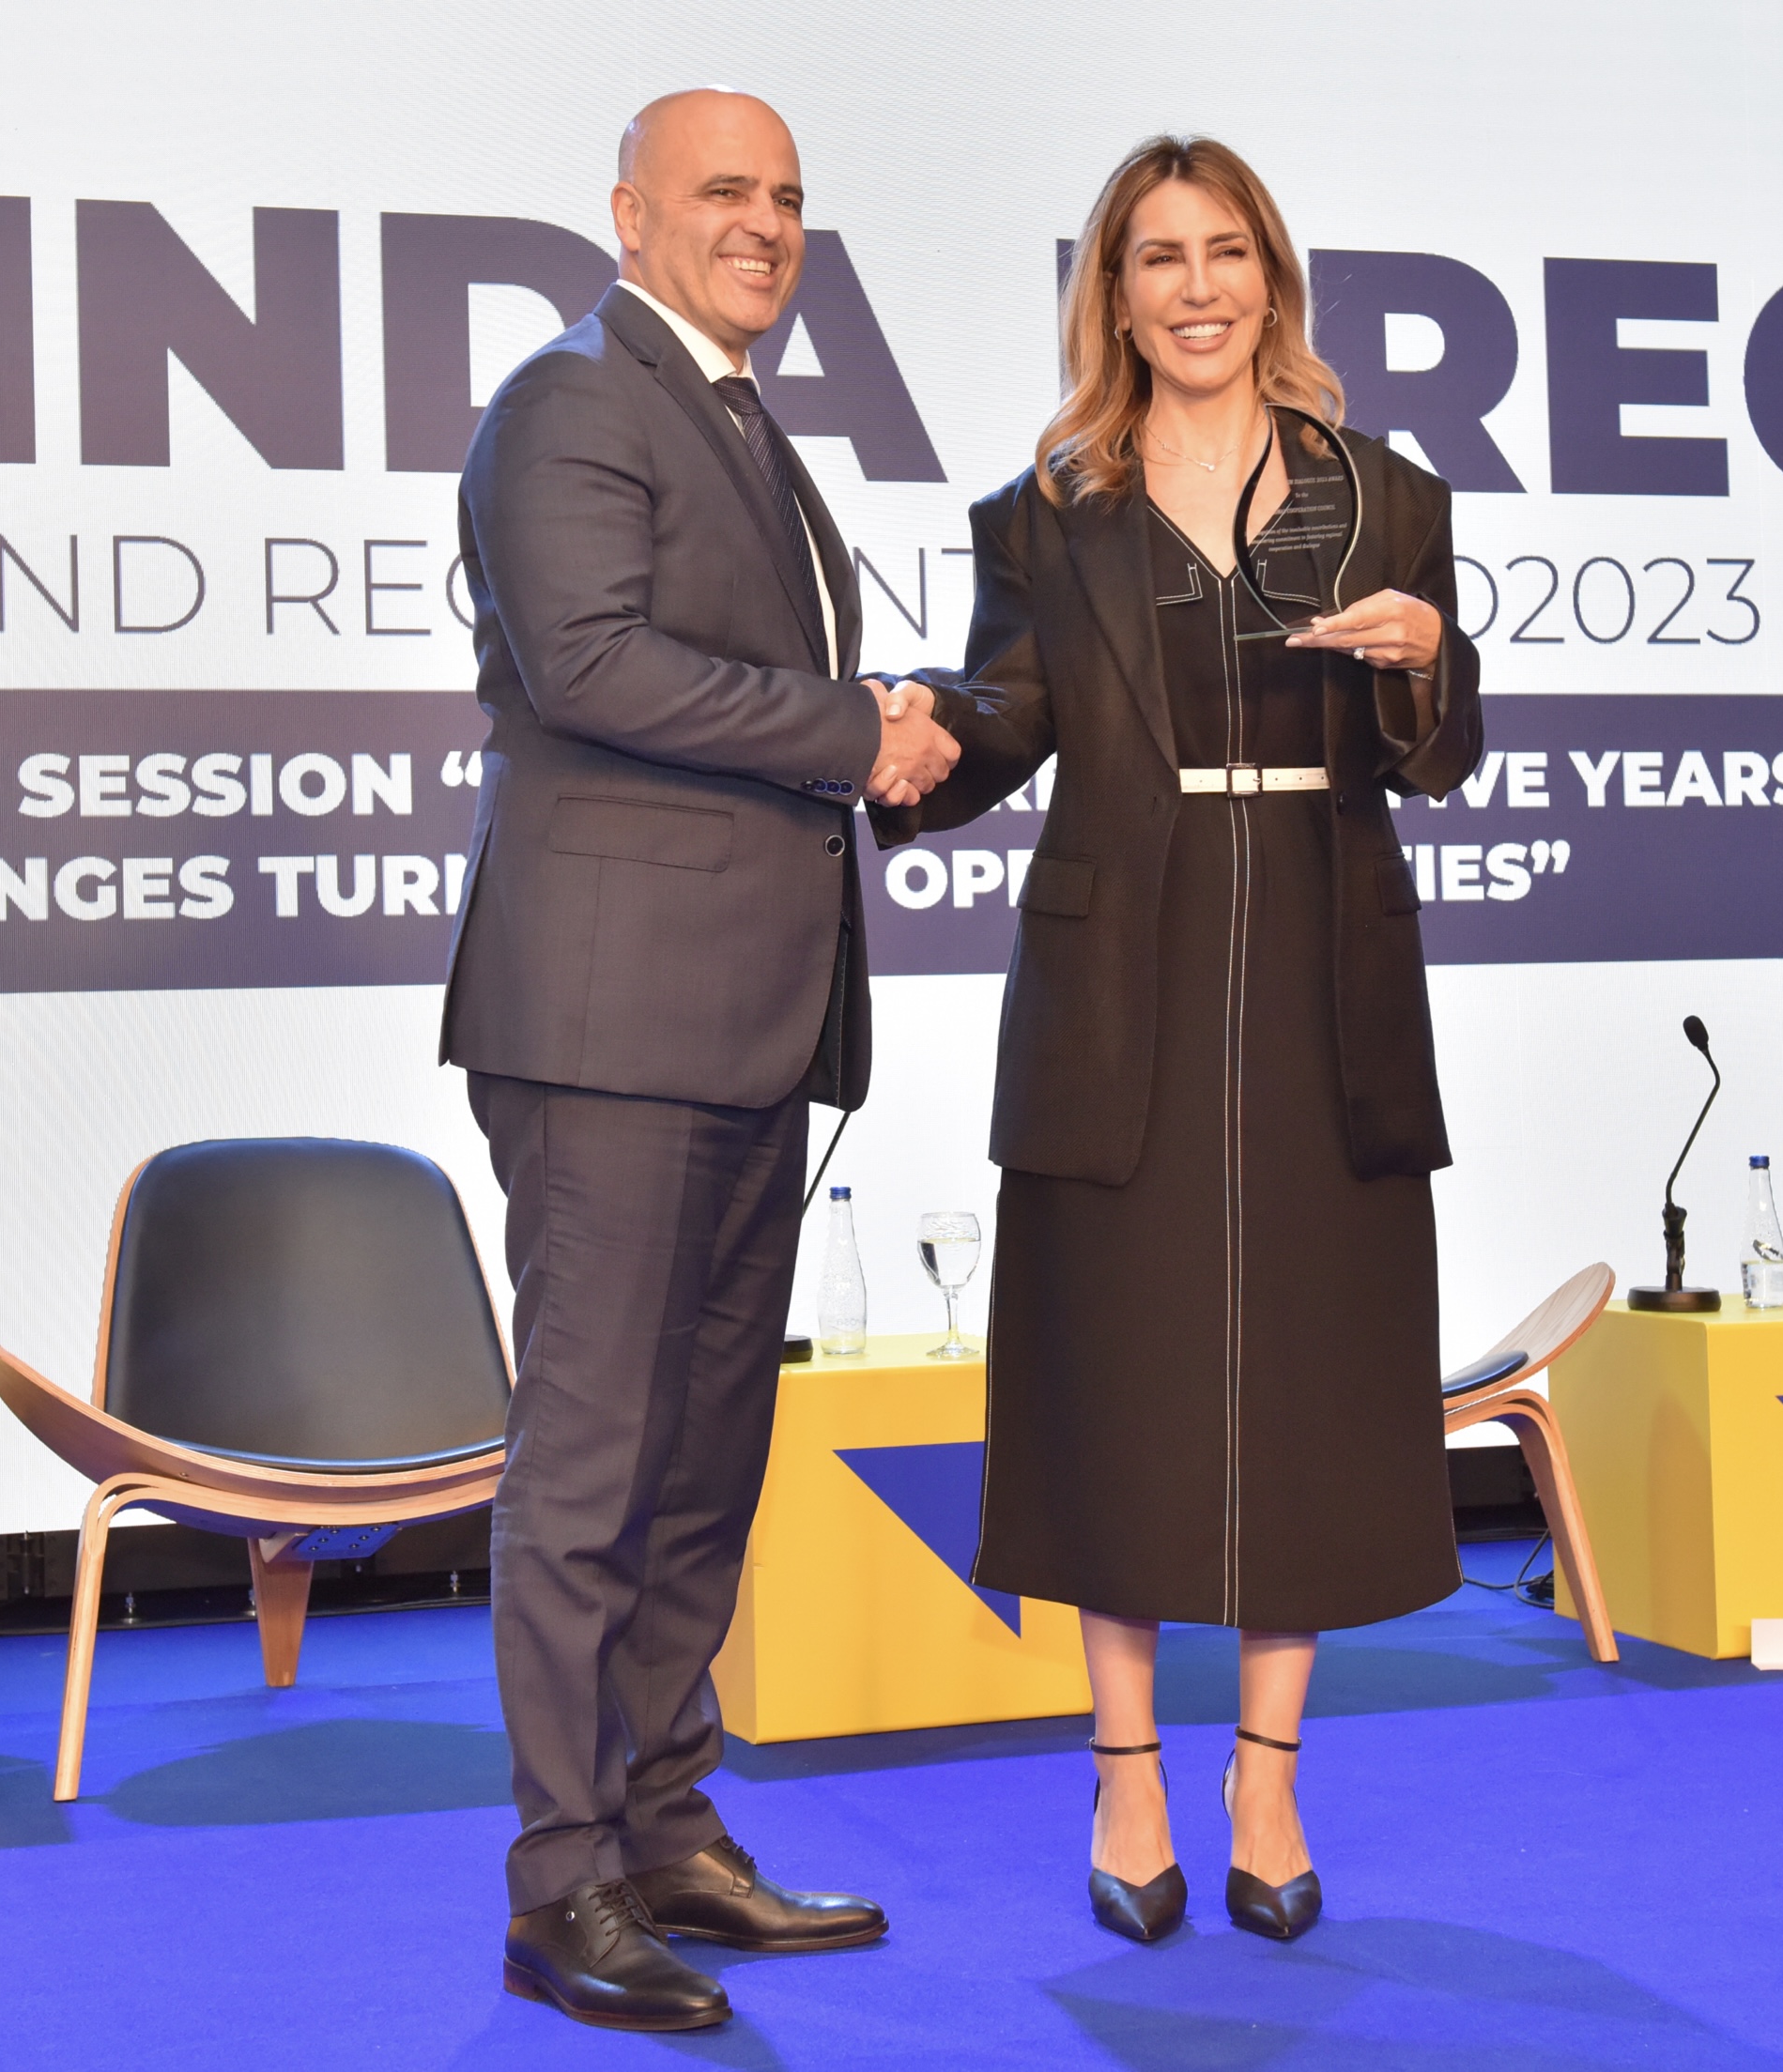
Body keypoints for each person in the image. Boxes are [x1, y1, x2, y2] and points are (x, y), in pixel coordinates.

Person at [880, 134, 1482, 1943]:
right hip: (1119, 968)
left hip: (1321, 956)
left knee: (1310, 1371)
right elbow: (1005, 720)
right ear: (1115, 295)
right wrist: (901, 742)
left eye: (1227, 254)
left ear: (1272, 282)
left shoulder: (1386, 493)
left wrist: (1422, 661)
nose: (1198, 287)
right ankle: (1129, 1769)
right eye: (1160, 258)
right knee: (1111, 1377)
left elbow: (1441, 753)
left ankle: (1271, 1775)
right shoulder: (1048, 507)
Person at [441, 87, 960, 2033]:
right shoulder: (577, 397)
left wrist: (924, 733)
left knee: (695, 1472)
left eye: (789, 199)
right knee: (588, 1469)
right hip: (606, 1023)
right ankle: (560, 1881)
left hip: (741, 1025)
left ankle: (669, 1833)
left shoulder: (740, 419)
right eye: (723, 193)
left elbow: (749, 704)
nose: (763, 225)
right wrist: (857, 729)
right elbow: (591, 665)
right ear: (628, 214)